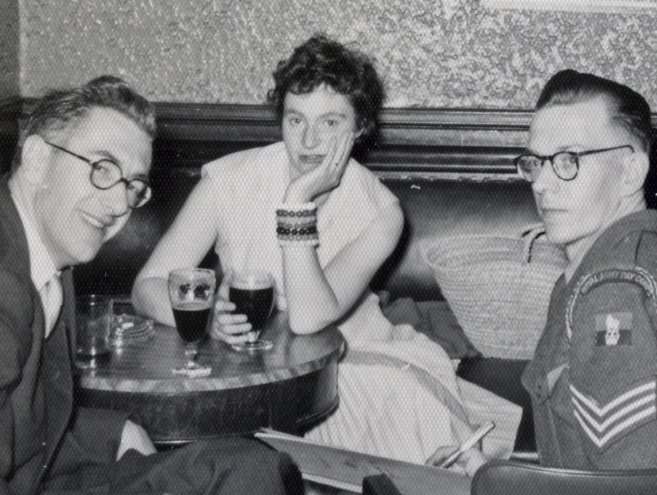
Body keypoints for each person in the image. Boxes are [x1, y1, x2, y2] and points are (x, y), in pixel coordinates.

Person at [133, 34, 521, 476]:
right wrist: (206, 320)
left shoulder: (382, 213)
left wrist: (296, 203)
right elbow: (147, 286)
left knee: (415, 437)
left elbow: (307, 317)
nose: (309, 140)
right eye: (295, 120)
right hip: (258, 376)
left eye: (330, 123)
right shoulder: (227, 184)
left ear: (359, 128)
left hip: (354, 368)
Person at [1, 75, 303, 495]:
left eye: (132, 185)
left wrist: (115, 432)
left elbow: (27, 417)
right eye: (101, 169)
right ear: (37, 159)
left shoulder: (51, 260)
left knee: (252, 467)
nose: (118, 204)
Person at [515, 69, 657, 469]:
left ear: (631, 172)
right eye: (535, 162)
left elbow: (632, 481)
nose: (541, 184)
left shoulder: (610, 292)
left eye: (568, 160)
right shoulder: (628, 256)